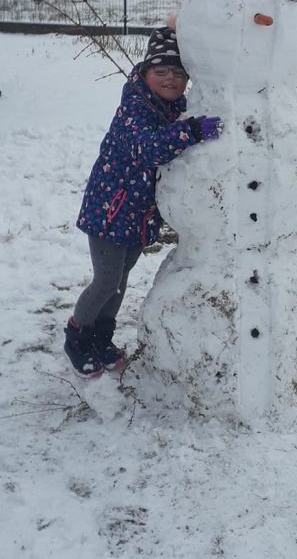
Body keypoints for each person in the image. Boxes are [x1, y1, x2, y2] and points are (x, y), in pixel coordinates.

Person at [64, 25, 223, 377]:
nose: (170, 79)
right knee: (106, 280)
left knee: (121, 280)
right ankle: (77, 337)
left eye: (178, 73)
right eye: (161, 71)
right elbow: (146, 149)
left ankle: (101, 338)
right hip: (110, 211)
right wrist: (192, 131)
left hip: (137, 215)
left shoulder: (173, 107)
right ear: (145, 71)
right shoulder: (134, 108)